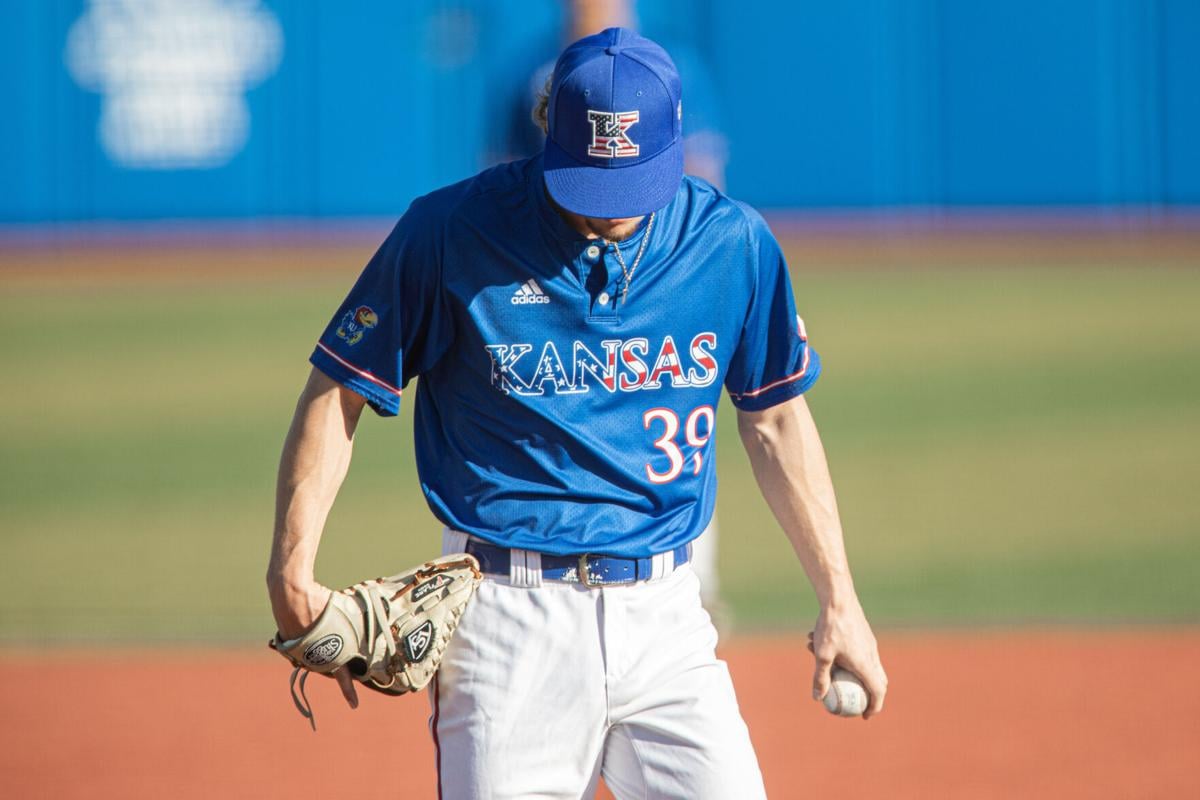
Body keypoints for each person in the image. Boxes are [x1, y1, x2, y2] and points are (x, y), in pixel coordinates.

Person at [267, 27, 887, 799]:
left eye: (627, 191)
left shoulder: (732, 245)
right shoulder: (450, 232)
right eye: (585, 186)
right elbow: (339, 389)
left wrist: (841, 602)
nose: (605, 215)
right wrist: (291, 571)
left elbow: (777, 420)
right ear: (544, 130)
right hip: (506, 625)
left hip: (667, 622)